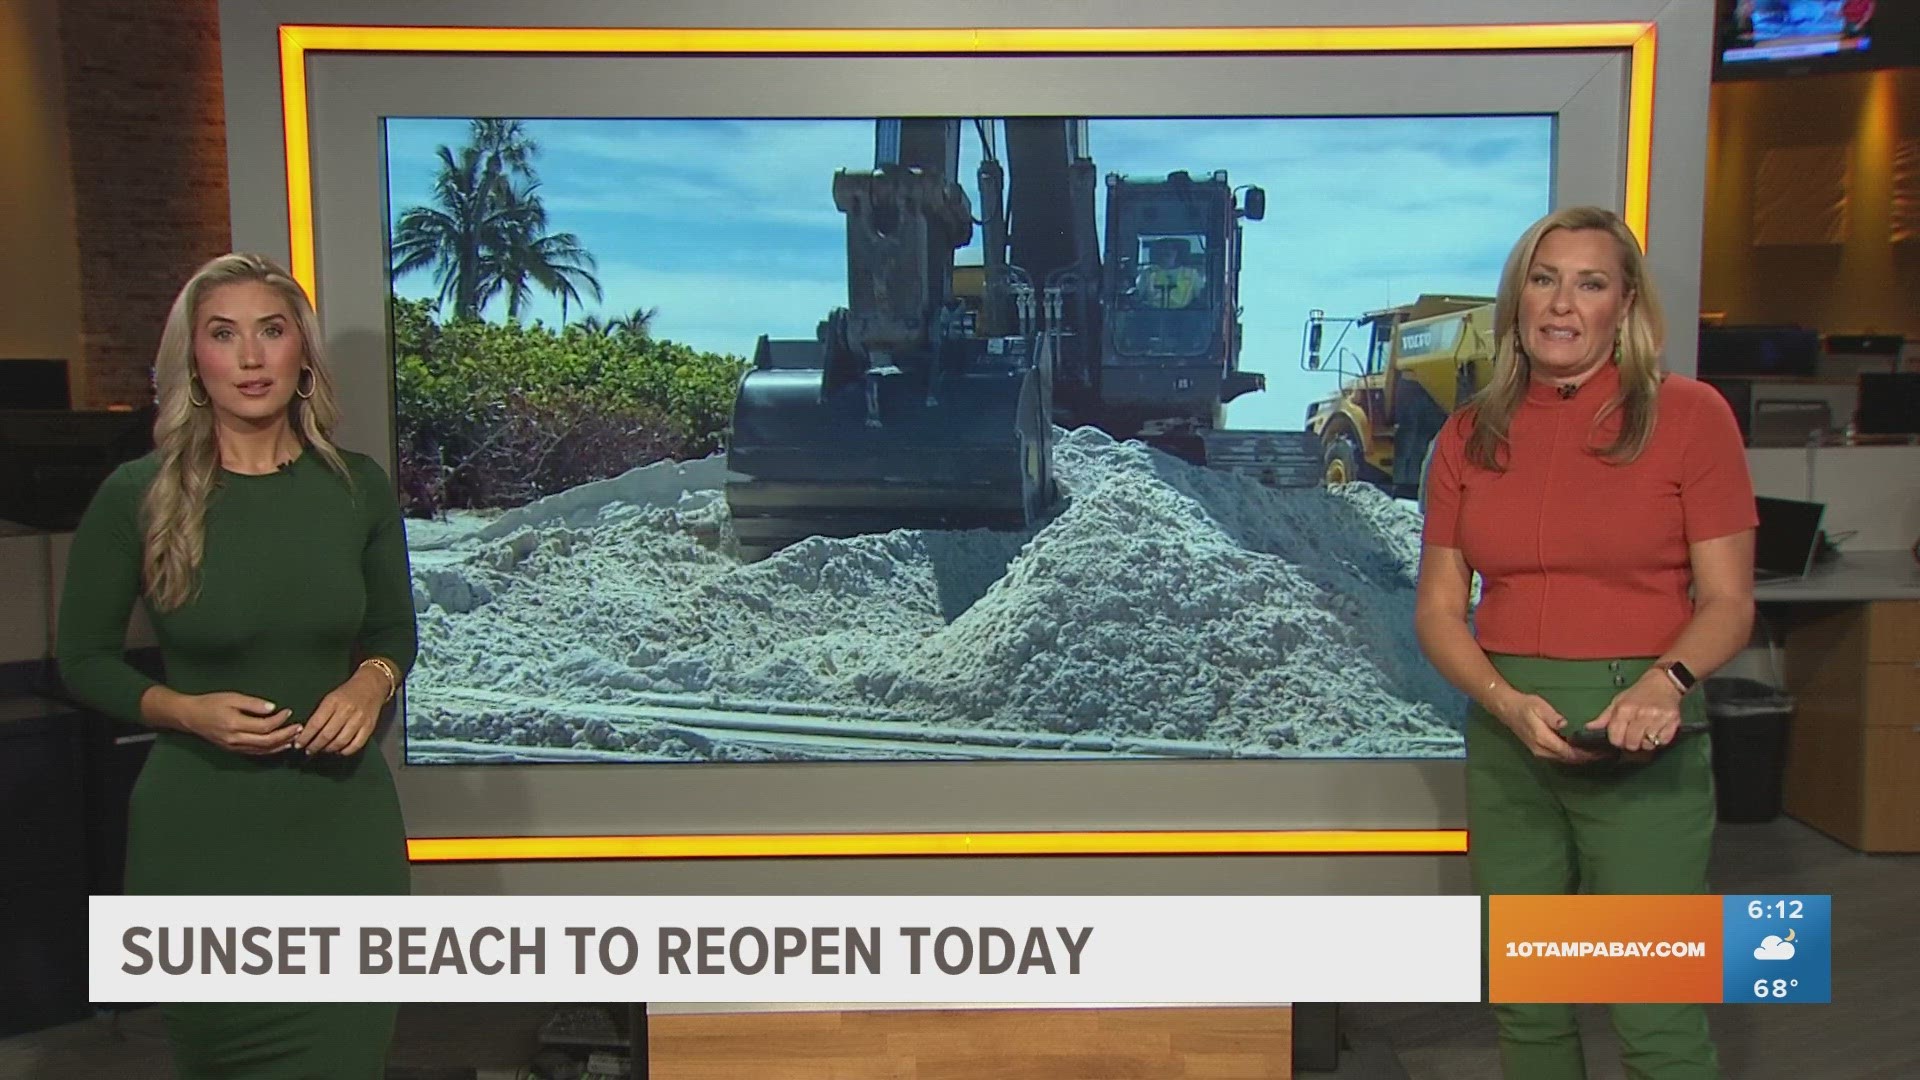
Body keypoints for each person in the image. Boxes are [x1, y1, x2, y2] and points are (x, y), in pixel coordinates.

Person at [1416, 206, 1757, 1080]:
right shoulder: (1467, 435)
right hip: (1509, 735)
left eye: (1590, 283)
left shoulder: (1689, 417)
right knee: (1527, 1002)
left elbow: (1727, 603)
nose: (1562, 304)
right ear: (1517, 298)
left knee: (1653, 1006)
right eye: (1544, 278)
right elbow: (1440, 611)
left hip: (1641, 730)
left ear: (1626, 303)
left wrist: (1663, 682)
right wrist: (1503, 702)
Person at [56, 253, 416, 1078]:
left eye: (271, 331)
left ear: (301, 357)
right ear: (194, 361)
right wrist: (181, 710)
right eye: (224, 335)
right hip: (202, 840)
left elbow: (395, 630)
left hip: (340, 835)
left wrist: (373, 681)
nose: (250, 358)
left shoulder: (357, 488)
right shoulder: (137, 494)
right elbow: (81, 658)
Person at [1135, 236, 1207, 308]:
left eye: (1172, 248)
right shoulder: (1147, 273)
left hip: (1185, 316)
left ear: (1178, 252)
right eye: (1164, 248)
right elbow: (1137, 296)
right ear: (1157, 252)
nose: (1167, 251)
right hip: (1151, 316)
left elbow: (1202, 298)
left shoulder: (1192, 274)